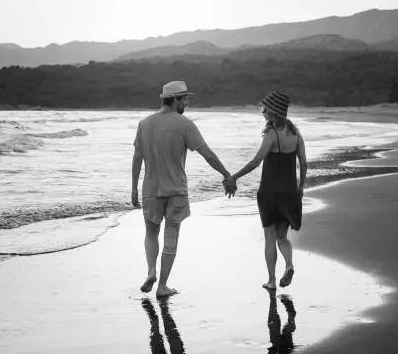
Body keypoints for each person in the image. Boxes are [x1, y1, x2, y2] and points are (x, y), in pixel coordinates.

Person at [131, 80, 232, 298]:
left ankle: (150, 271)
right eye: (185, 99)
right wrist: (226, 175)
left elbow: (137, 158)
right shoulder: (184, 124)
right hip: (176, 189)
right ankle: (162, 286)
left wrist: (133, 189)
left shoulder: (145, 123)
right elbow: (208, 155)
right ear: (175, 100)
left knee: (150, 232)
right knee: (171, 235)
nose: (187, 102)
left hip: (150, 189)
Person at [225, 91, 307, 290]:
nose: (263, 113)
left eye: (266, 110)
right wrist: (301, 187)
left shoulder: (271, 134)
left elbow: (256, 161)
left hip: (269, 193)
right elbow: (303, 164)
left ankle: (271, 281)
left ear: (274, 113)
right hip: (289, 193)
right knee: (282, 236)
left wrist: (234, 177)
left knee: (269, 237)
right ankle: (289, 265)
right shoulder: (296, 135)